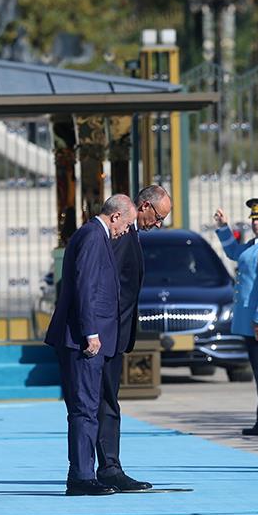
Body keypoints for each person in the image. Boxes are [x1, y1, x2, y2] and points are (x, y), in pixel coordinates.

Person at [45, 194, 137, 495]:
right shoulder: (94, 236)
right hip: (84, 340)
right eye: (127, 224)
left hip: (90, 337)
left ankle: (84, 473)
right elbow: (86, 287)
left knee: (88, 407)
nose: (126, 231)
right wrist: (91, 332)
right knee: (84, 408)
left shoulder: (96, 235)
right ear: (115, 217)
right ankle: (81, 477)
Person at [98, 185, 172, 493]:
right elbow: (104, 284)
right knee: (103, 403)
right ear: (143, 206)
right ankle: (107, 468)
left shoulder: (130, 235)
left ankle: (103, 466)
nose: (158, 225)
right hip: (105, 333)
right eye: (158, 217)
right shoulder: (120, 234)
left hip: (115, 331)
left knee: (106, 401)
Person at [213, 198, 258, 435]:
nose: (256, 223)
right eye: (254, 219)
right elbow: (234, 252)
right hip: (250, 322)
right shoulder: (253, 246)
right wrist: (223, 227)